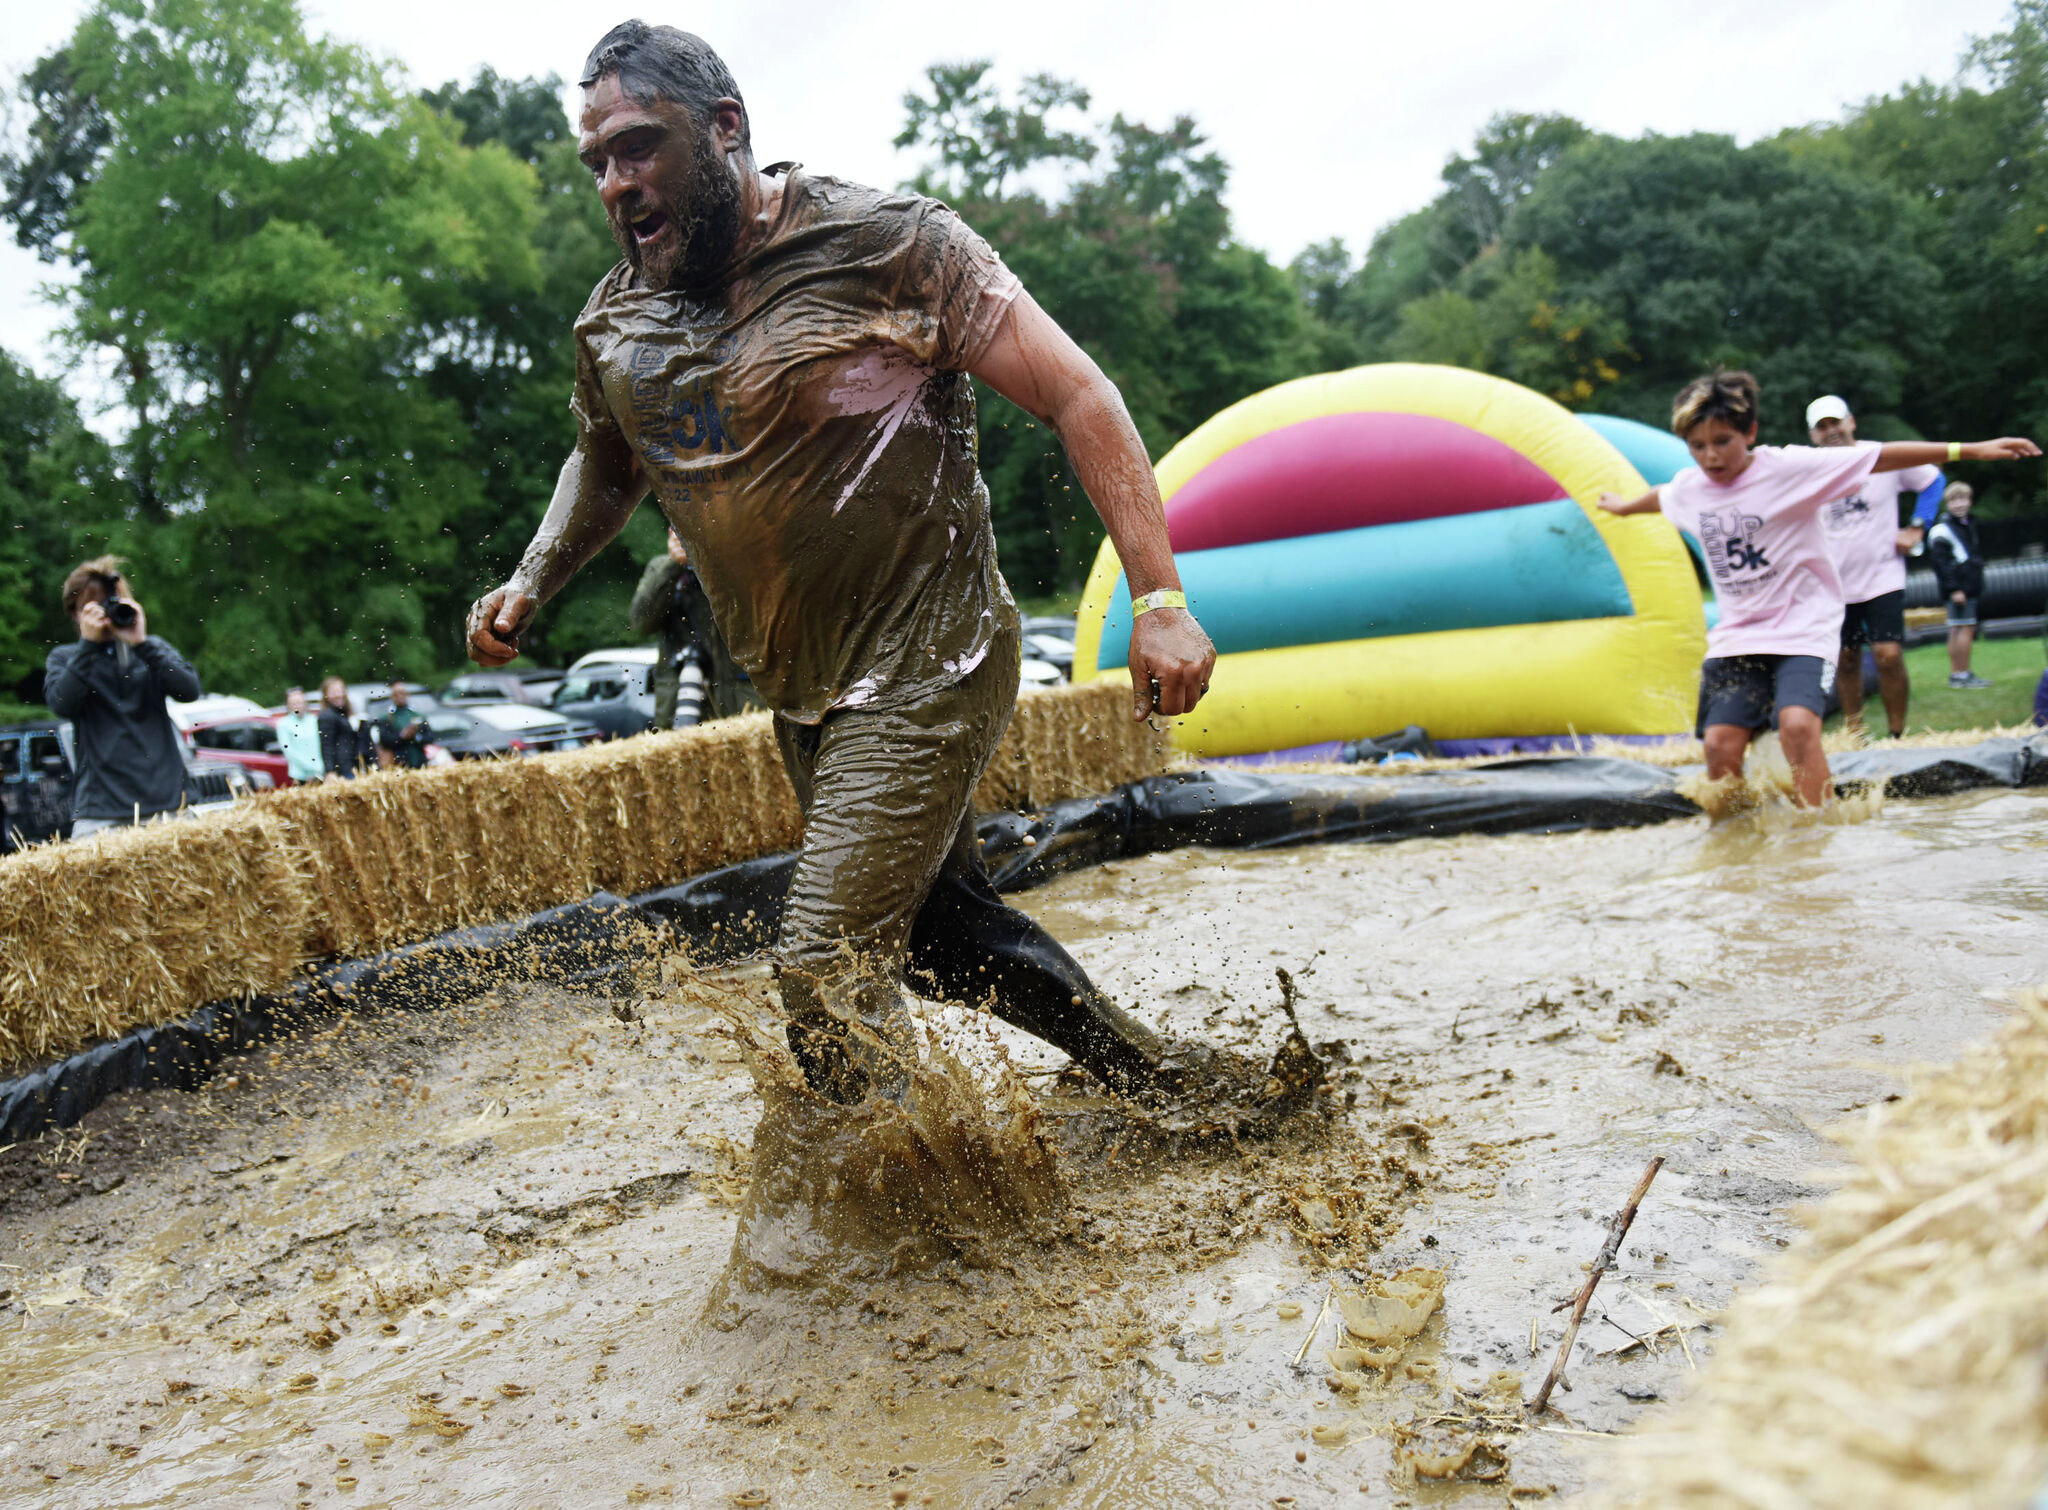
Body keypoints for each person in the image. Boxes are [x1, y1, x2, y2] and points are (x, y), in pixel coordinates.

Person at [467, 23, 1216, 1105]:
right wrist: (533, 575)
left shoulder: (888, 244)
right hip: (809, 692)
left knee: (822, 962)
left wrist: (1158, 596)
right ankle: (1176, 1085)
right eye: (597, 163)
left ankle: (902, 1235)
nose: (616, 185)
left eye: (638, 147)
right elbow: (606, 460)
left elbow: (1075, 393)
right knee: (937, 934)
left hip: (930, 655)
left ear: (725, 129)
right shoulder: (617, 318)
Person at [1600, 371, 2037, 808]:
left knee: (1797, 725)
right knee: (1719, 744)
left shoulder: (1791, 468)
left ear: (1749, 432)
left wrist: (1971, 450)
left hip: (1802, 627)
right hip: (1739, 635)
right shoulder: (1692, 487)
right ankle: (1735, 848)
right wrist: (1623, 507)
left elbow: (1881, 457)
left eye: (1723, 441)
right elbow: (1663, 494)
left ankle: (1818, 838)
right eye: (1698, 446)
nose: (1711, 456)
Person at [1807, 394, 1943, 738]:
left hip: (1882, 575)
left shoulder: (1879, 457)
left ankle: (1897, 734)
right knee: (1846, 658)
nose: (1830, 431)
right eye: (1821, 427)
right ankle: (1855, 735)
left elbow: (1932, 480)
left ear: (1851, 422)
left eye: (1835, 422)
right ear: (1813, 436)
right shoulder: (1808, 470)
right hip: (1834, 582)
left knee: (1888, 654)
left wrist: (1917, 525)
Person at [43, 556, 204, 838]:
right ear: (75, 614)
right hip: (101, 812)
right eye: (92, 608)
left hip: (168, 804)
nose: (103, 616)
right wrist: (87, 648)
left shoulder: (150, 651)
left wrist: (141, 643)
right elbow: (62, 704)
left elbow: (189, 690)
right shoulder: (66, 658)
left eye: (109, 604)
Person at [628, 525, 760, 726]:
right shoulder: (660, 568)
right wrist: (673, 567)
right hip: (678, 705)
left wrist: (717, 563)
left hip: (739, 704)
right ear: (671, 535)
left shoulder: (737, 565)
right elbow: (640, 623)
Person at [1927, 483, 1991, 689]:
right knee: (1964, 628)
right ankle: (1961, 675)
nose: (1959, 504)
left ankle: (1960, 674)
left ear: (1970, 501)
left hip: (1968, 586)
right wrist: (1954, 589)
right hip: (1959, 589)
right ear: (1947, 504)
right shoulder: (1943, 530)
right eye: (1954, 500)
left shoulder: (1966, 525)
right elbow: (1941, 565)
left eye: (1963, 499)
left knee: (1959, 627)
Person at [316, 676, 368, 780]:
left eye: (340, 690)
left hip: (351, 767)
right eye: (333, 692)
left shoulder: (343, 713)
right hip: (342, 770)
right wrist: (330, 771)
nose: (338, 694)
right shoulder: (327, 716)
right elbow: (327, 745)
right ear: (326, 695)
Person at [374, 680, 430, 769]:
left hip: (419, 760)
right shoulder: (387, 718)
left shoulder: (417, 715)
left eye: (402, 693)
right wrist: (402, 736)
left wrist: (416, 737)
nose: (399, 696)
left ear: (407, 694)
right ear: (391, 697)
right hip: (398, 762)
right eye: (396, 694)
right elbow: (384, 740)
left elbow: (430, 737)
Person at [276, 687, 325, 784]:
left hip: (320, 772)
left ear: (305, 703)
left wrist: (320, 767)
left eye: (300, 702)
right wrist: (310, 767)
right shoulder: (283, 724)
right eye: (293, 703)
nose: (297, 706)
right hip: (299, 775)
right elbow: (288, 750)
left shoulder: (314, 720)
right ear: (288, 705)